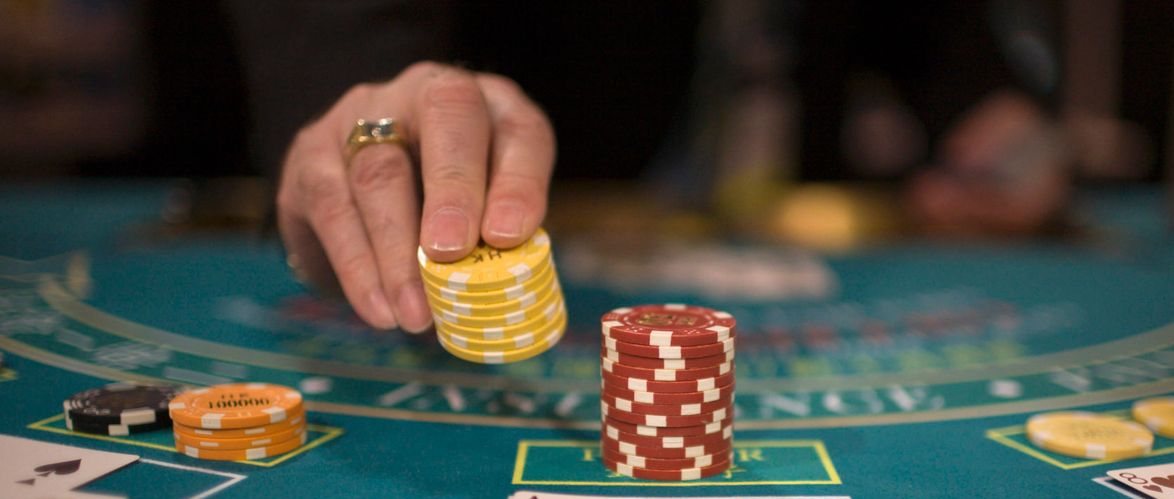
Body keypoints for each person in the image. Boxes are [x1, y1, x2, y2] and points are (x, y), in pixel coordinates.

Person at [259, 2, 1068, 335]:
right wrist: (362, 116)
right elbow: (343, 37)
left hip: (806, 260)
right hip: (547, 226)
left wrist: (1005, 129)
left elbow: (939, 41)